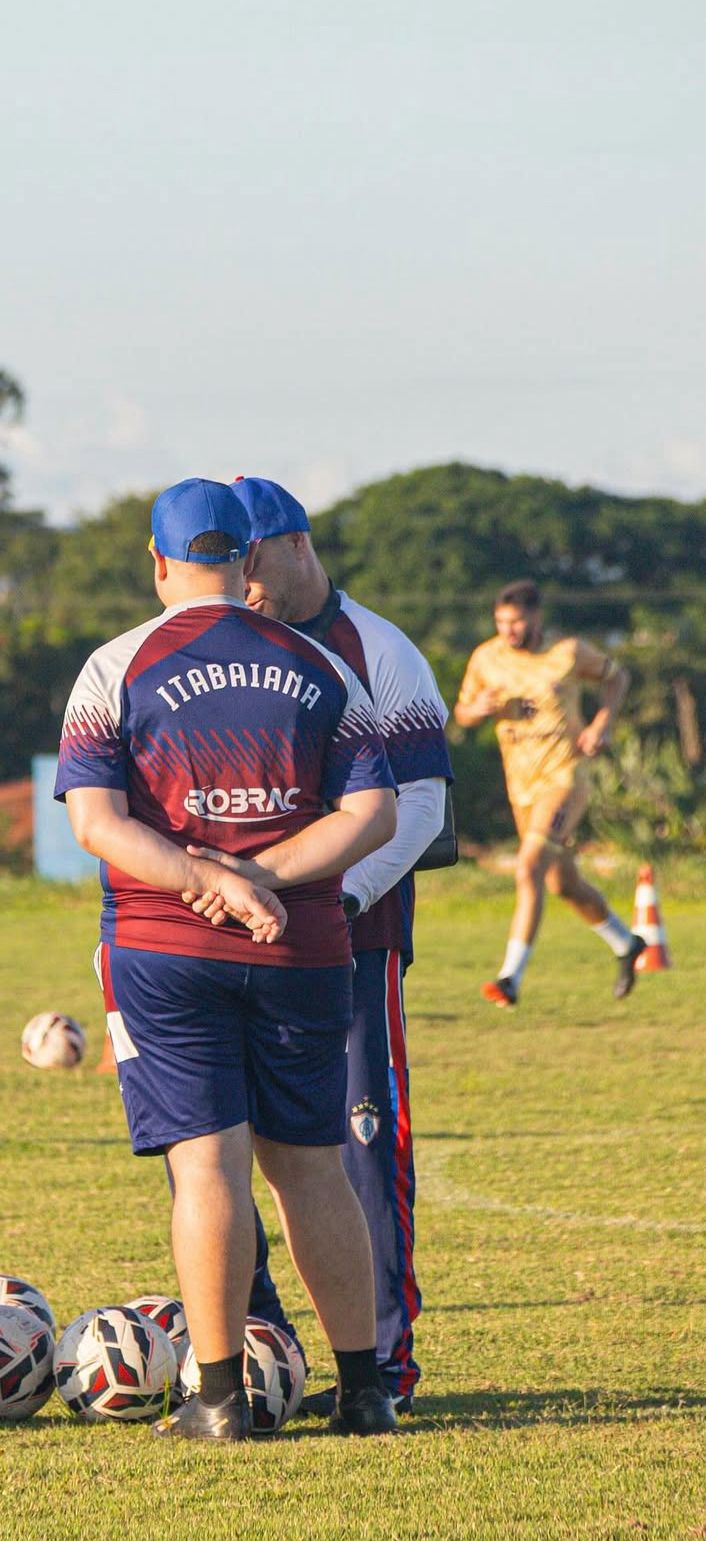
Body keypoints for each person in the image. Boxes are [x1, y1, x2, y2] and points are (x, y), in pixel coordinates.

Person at [56, 477, 399, 1441]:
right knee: (313, 1167)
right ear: (251, 559)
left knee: (208, 1165)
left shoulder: (114, 667)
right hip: (304, 947)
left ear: (158, 560)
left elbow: (97, 822)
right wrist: (264, 875)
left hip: (167, 949)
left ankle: (218, 1398)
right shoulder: (326, 665)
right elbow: (371, 814)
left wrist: (208, 880)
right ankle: (365, 1388)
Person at [192, 475, 453, 1418]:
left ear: (296, 544)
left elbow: (420, 806)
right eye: (227, 566)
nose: (241, 583)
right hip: (225, 948)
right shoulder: (219, 644)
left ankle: (383, 1367)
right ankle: (269, 1351)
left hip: (353, 942)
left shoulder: (380, 651)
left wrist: (326, 897)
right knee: (220, 1148)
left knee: (356, 1148)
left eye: (252, 563)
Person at [454, 579, 642, 1007]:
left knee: (528, 867)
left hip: (565, 778)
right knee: (562, 882)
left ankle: (509, 978)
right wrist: (477, 710)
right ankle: (626, 944)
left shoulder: (568, 652)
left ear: (536, 617)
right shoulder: (486, 658)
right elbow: (462, 712)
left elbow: (617, 677)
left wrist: (601, 725)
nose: (509, 630)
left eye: (517, 621)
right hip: (521, 786)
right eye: (501, 622)